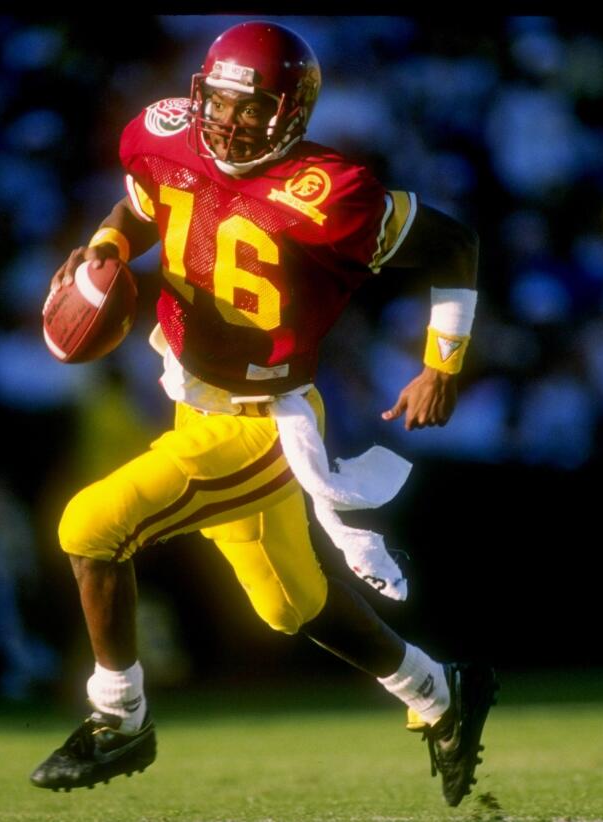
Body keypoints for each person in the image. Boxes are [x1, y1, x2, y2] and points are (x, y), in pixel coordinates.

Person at [29, 21, 494, 807]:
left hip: (260, 421)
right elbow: (142, 203)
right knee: (288, 604)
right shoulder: (165, 136)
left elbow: (454, 244)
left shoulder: (333, 193)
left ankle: (119, 718)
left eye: (255, 110)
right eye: (220, 102)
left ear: (292, 114)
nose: (231, 122)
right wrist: (109, 240)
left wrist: (439, 364)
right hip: (192, 404)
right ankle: (440, 693)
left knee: (87, 527)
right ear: (200, 92)